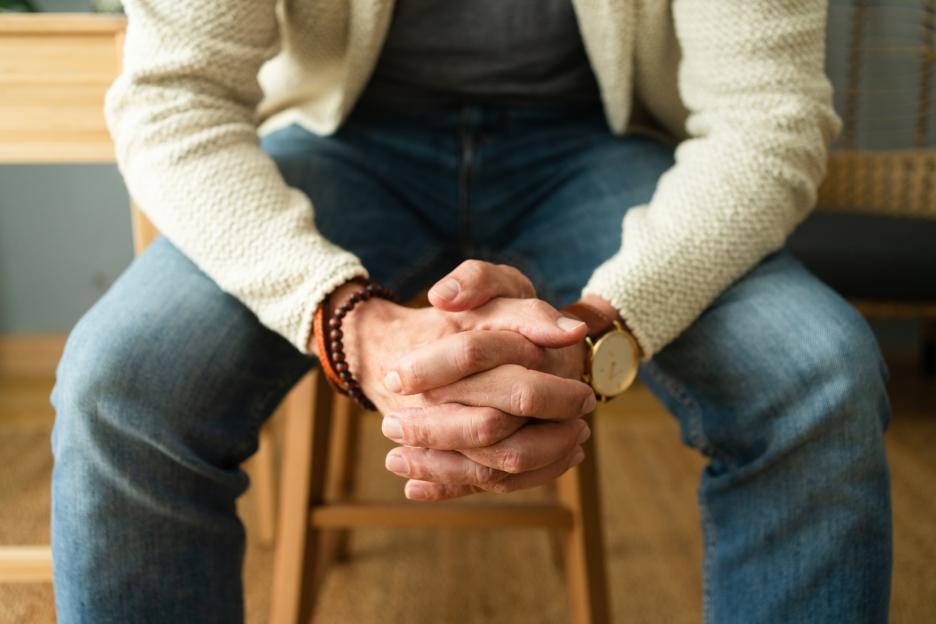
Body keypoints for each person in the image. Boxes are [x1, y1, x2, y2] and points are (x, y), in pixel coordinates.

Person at [50, 1, 892, 622]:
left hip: (594, 145)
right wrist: (351, 325)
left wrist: (598, 333)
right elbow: (175, 96)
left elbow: (767, 118)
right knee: (121, 383)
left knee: (818, 378)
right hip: (345, 141)